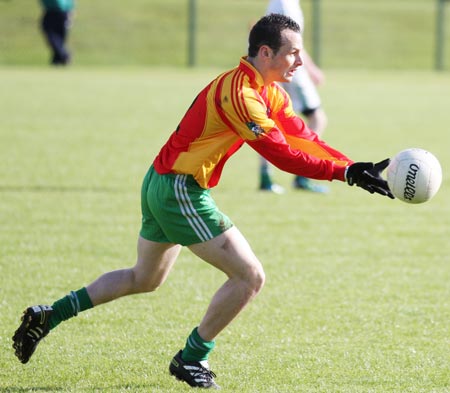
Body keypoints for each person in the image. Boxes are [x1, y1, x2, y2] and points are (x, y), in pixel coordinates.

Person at [12, 13, 394, 389]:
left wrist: (352, 167)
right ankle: (192, 358)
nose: (299, 61)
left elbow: (302, 136)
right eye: (293, 53)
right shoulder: (241, 94)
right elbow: (280, 154)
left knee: (143, 278)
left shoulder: (268, 91)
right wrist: (342, 174)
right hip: (180, 189)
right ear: (266, 53)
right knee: (249, 276)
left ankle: (49, 315)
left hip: (161, 182)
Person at [259, 0, 329, 193]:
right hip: (290, 70)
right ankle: (302, 176)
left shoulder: (281, 3)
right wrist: (312, 69)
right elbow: (290, 43)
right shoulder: (285, 4)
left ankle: (266, 178)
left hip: (277, 68)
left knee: (268, 121)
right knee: (317, 118)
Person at [39, 0, 74, 65]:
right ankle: (59, 58)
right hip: (50, 12)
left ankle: (62, 56)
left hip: (61, 12)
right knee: (52, 36)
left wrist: (70, 15)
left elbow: (69, 3)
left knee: (58, 38)